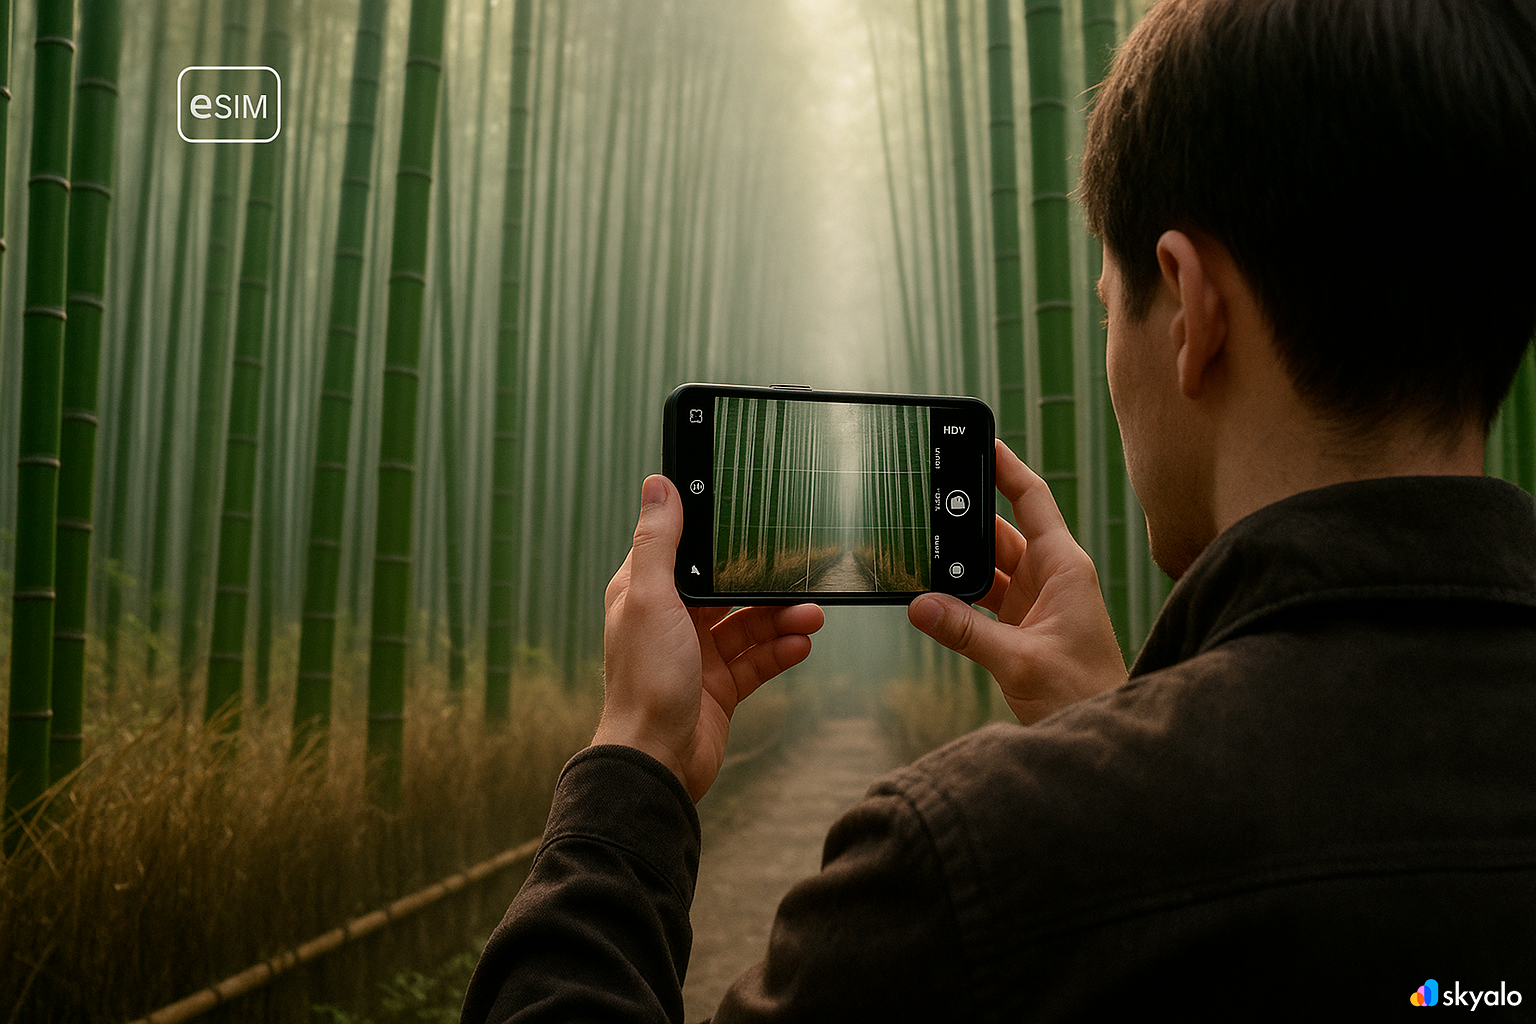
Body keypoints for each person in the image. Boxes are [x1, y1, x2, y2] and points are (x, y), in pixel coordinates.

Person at [461, 0, 1536, 1018]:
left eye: (1112, 309)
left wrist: (633, 758)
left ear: (1192, 308)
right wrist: (1108, 722)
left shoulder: (978, 867)